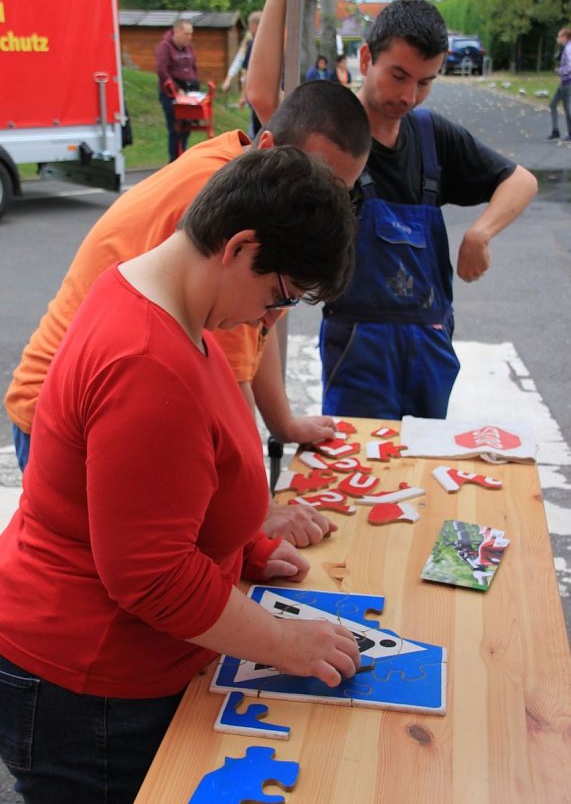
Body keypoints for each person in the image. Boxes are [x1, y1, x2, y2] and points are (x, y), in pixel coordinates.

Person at [0, 147, 361, 804]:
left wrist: (244, 547)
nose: (265, 320)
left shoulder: (167, 306)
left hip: (115, 670)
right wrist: (285, 642)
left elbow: (165, 493)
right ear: (240, 246)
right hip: (86, 687)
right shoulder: (146, 359)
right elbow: (151, 574)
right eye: (276, 295)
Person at [4, 76, 371, 547]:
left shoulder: (252, 190)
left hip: (99, 399)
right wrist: (256, 512)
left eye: (340, 192)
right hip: (63, 416)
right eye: (317, 181)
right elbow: (228, 384)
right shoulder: (237, 218)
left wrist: (283, 425)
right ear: (269, 149)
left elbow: (256, 332)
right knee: (115, 569)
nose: (324, 207)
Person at [246, 0, 538, 421]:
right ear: (366, 59)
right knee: (358, 468)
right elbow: (264, 95)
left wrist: (480, 234)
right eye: (398, 75)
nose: (408, 95)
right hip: (358, 348)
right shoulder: (333, 130)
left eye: (425, 82)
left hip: (430, 343)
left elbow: (521, 181)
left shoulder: (433, 136)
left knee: (421, 474)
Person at [156, 17, 200, 162]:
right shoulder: (165, 47)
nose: (189, 38)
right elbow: (162, 70)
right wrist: (175, 89)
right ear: (177, 31)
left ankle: (183, 157)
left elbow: (193, 67)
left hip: (189, 89)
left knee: (187, 128)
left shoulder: (190, 48)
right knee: (175, 129)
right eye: (186, 34)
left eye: (191, 34)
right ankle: (173, 160)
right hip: (172, 93)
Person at [546, 27, 571, 141]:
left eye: (559, 36)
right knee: (553, 104)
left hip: (568, 82)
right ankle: (555, 131)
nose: (557, 38)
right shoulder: (565, 47)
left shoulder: (569, 49)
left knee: (568, 108)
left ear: (565, 37)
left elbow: (570, 66)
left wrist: (559, 71)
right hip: (564, 82)